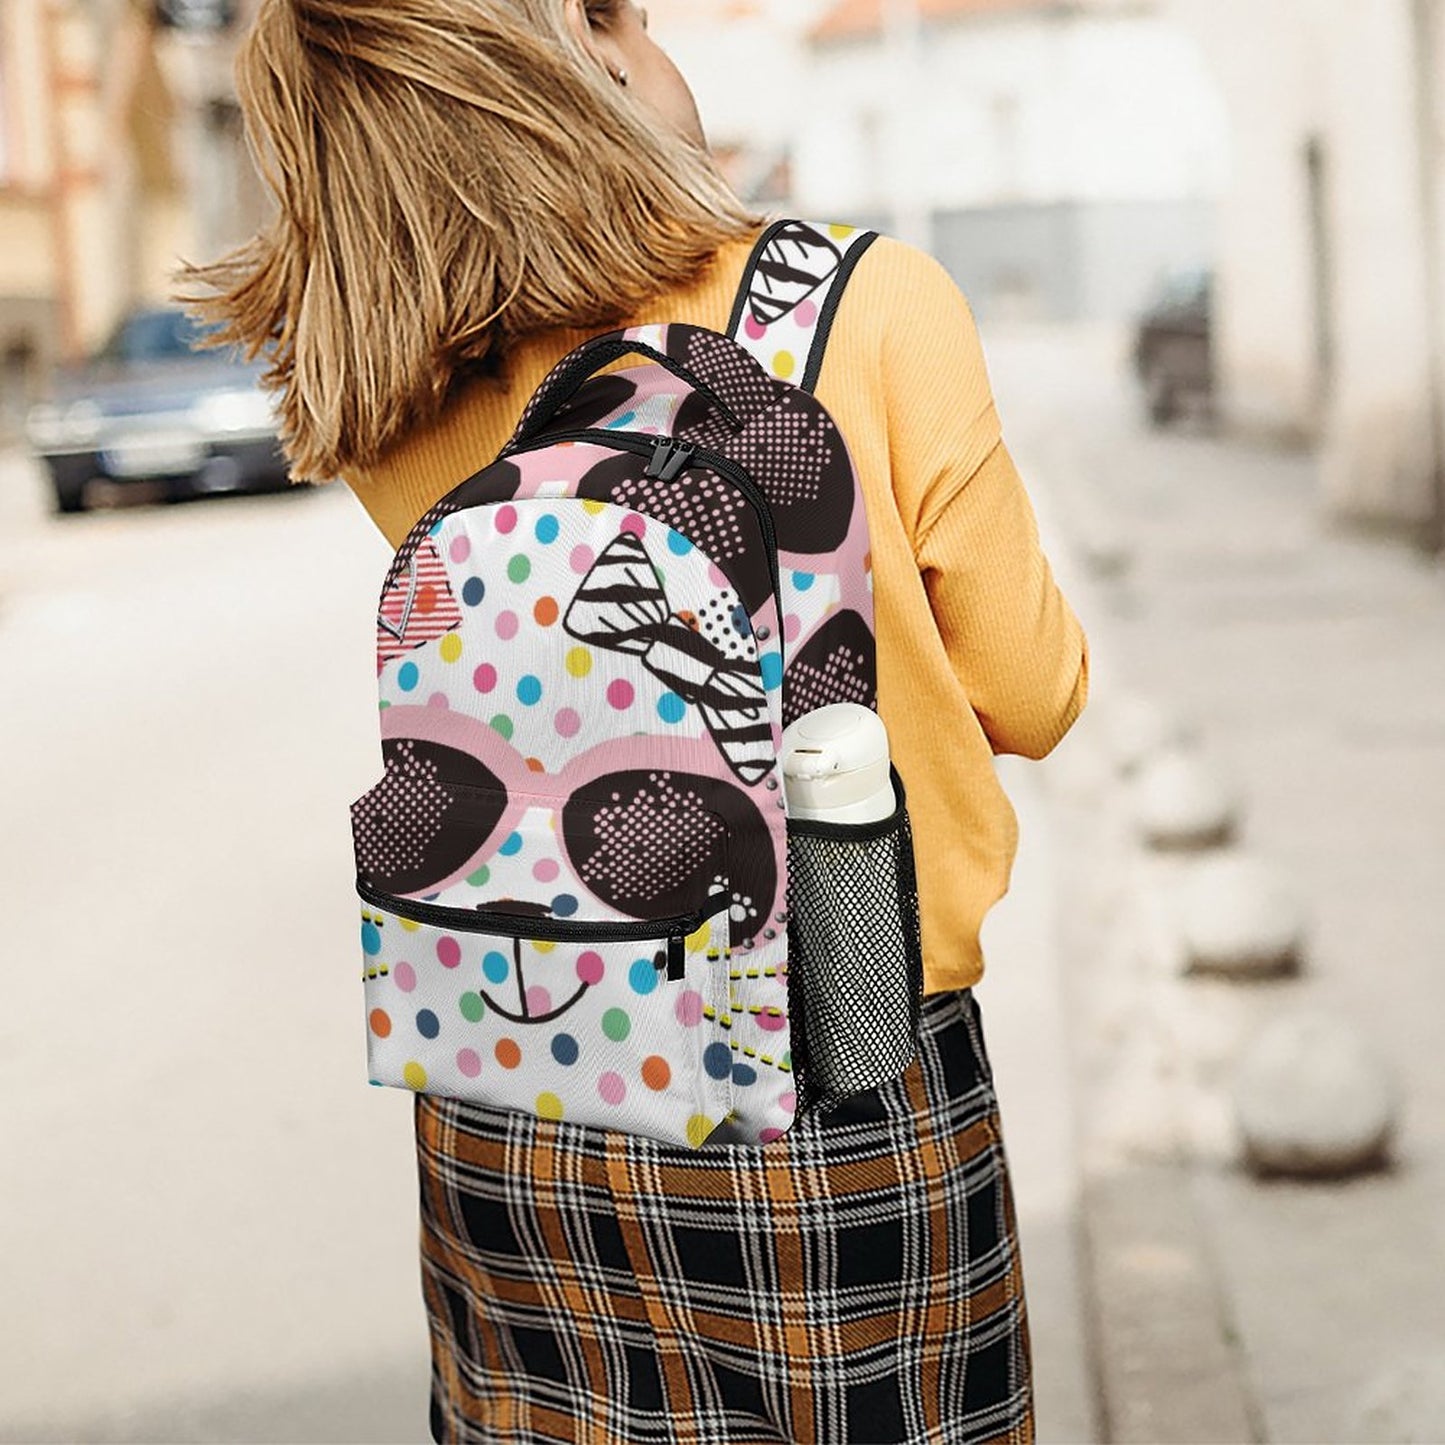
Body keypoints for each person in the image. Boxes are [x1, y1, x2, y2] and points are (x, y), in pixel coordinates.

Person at [181, 1, 1089, 1440]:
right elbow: (1032, 690)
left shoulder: (402, 376)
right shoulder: (863, 303)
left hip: (511, 1100)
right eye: (623, 14)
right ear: (581, 58)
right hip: (831, 1070)